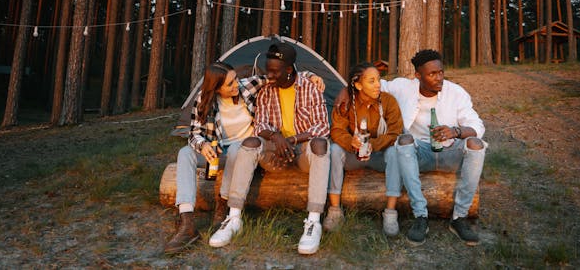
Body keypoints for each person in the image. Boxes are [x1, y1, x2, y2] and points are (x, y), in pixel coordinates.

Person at [164, 61, 324, 255]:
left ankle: (223, 206)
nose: (236, 85)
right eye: (230, 84)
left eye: (235, 79)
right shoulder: (203, 100)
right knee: (185, 153)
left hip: (249, 149)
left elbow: (280, 75)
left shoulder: (247, 86)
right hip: (219, 150)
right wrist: (203, 145)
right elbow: (194, 133)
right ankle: (187, 221)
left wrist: (310, 76)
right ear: (216, 88)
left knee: (236, 150)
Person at [208, 40, 331, 255]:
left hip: (302, 152)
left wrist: (291, 141)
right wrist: (276, 138)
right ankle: (234, 217)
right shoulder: (266, 90)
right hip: (276, 151)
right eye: (268, 71)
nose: (269, 76)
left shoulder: (310, 87)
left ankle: (313, 221)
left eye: (275, 72)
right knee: (250, 143)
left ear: (290, 70)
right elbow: (261, 125)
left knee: (321, 144)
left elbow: (322, 126)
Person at [381, 49, 486, 246]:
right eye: (432, 74)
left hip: (450, 151)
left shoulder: (456, 92)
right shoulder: (404, 87)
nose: (439, 78)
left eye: (441, 72)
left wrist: (455, 131)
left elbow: (478, 126)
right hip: (420, 153)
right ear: (418, 76)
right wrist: (346, 89)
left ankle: (459, 218)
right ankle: (421, 216)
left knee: (476, 144)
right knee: (404, 141)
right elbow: (372, 84)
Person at [323, 62, 404, 236]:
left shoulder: (388, 101)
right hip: (354, 155)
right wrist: (350, 142)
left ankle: (390, 212)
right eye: (371, 81)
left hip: (378, 155)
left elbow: (395, 132)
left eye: (378, 80)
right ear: (359, 85)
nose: (377, 85)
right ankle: (335, 209)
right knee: (335, 149)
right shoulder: (346, 103)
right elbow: (336, 130)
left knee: (394, 151)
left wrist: (372, 145)